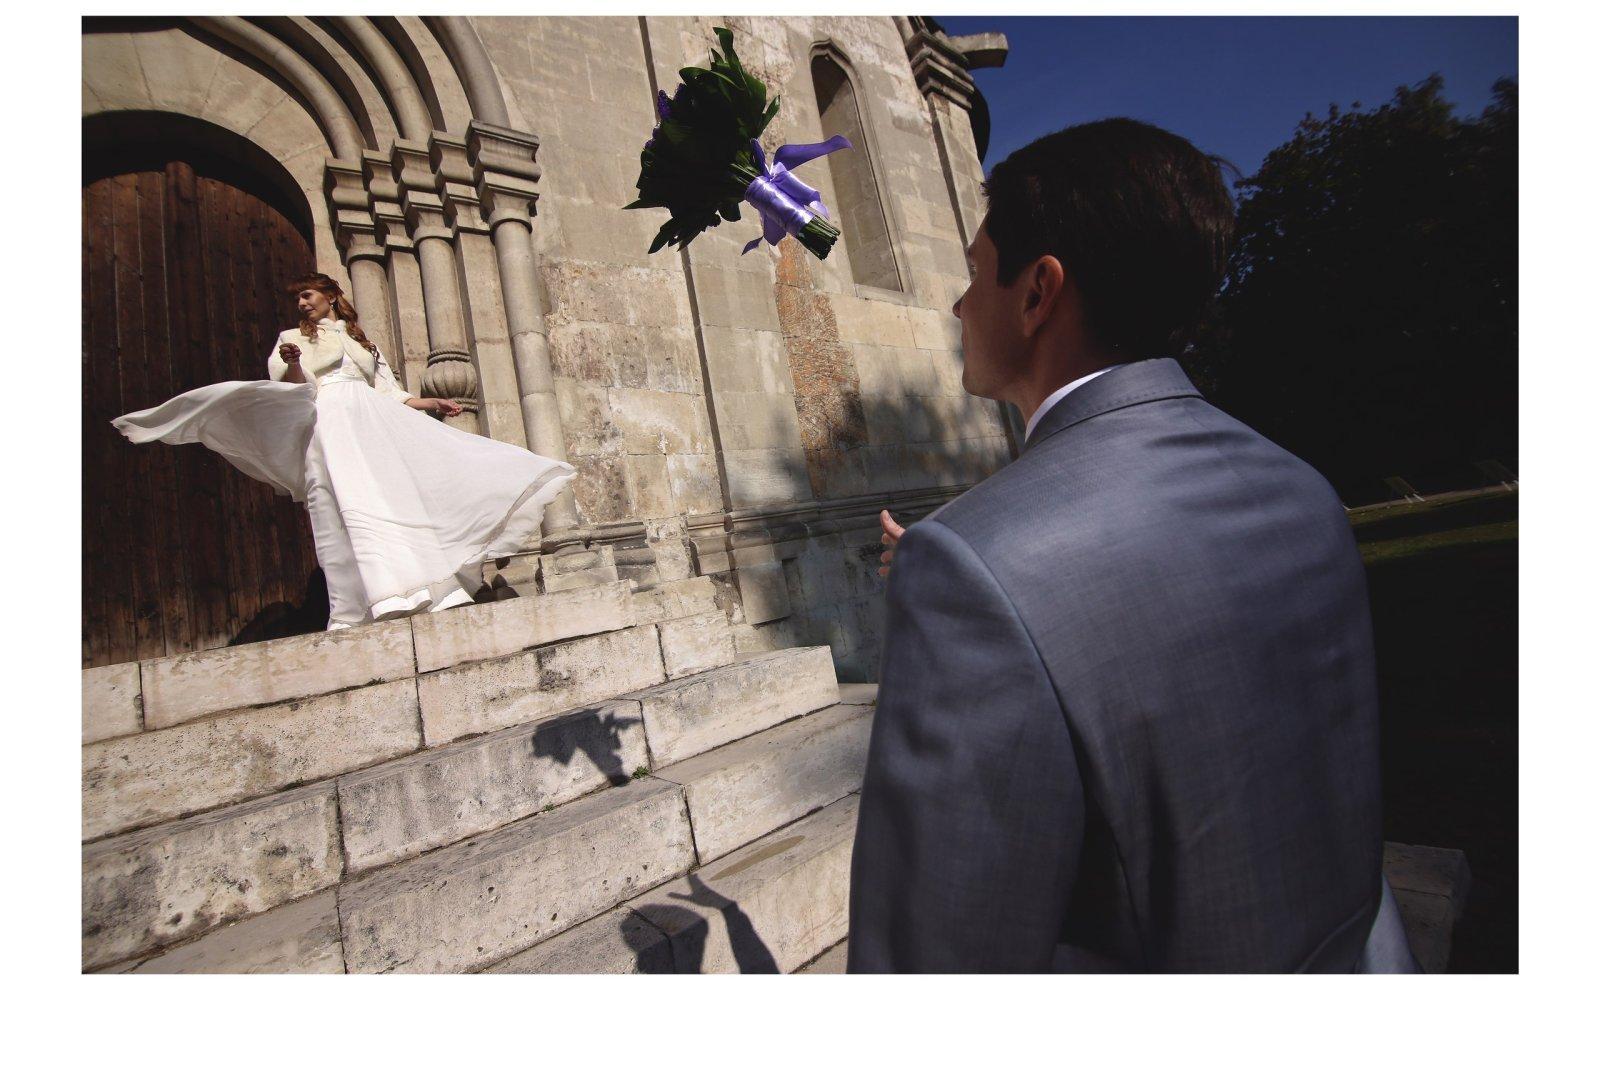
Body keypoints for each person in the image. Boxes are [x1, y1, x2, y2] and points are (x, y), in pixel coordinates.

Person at [848, 119, 1417, 973]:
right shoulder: (1302, 488)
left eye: (973, 272)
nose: (959, 305)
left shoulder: (971, 567)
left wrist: (970, 579)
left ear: (1038, 293)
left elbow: (936, 958)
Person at [113, 273, 575, 631]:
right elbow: (294, 389)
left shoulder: (360, 341)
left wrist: (432, 402)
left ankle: (428, 589)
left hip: (372, 420)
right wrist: (295, 363)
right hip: (331, 421)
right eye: (298, 299)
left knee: (393, 498)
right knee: (344, 505)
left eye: (308, 295)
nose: (301, 303)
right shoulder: (292, 340)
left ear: (331, 296)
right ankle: (369, 601)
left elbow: (389, 392)